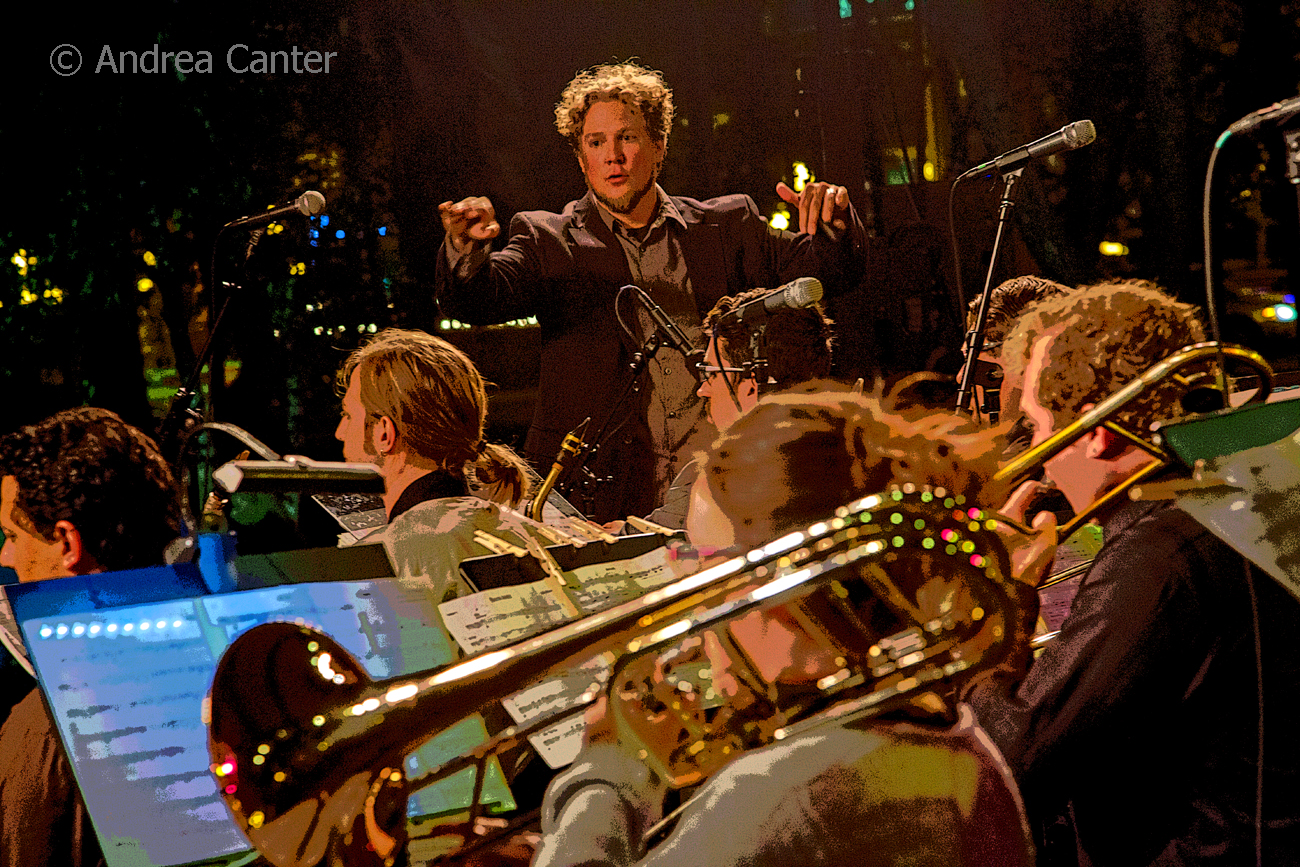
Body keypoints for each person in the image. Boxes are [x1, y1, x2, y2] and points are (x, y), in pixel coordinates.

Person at [533, 391, 1054, 867]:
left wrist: (611, 768)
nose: (686, 585)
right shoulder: (944, 734)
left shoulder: (785, 793)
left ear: (776, 583)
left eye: (699, 560)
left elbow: (777, 816)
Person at [436, 61, 874, 522]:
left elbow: (828, 273)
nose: (613, 157)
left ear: (659, 145)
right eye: (595, 142)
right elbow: (478, 299)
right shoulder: (548, 240)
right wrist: (466, 250)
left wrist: (836, 226)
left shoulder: (728, 226)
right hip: (593, 500)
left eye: (627, 137)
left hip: (714, 485)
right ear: (581, 157)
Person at [964, 281, 1300, 865]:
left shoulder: (1159, 552)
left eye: (1037, 427)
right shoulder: (1254, 488)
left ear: (1095, 434)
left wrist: (1001, 596)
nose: (1038, 457)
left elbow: (1009, 770)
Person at [0, 407, 184, 867]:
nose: (7, 556)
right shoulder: (236, 661)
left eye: (11, 535)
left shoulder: (47, 725)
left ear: (67, 543)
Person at [335, 327, 556, 606]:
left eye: (347, 415)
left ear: (384, 434)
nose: (340, 432)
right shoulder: (540, 539)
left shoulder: (373, 564)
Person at [644, 287, 836, 528]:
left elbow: (651, 542)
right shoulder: (850, 462)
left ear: (752, 385)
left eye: (711, 374)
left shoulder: (713, 484)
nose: (702, 390)